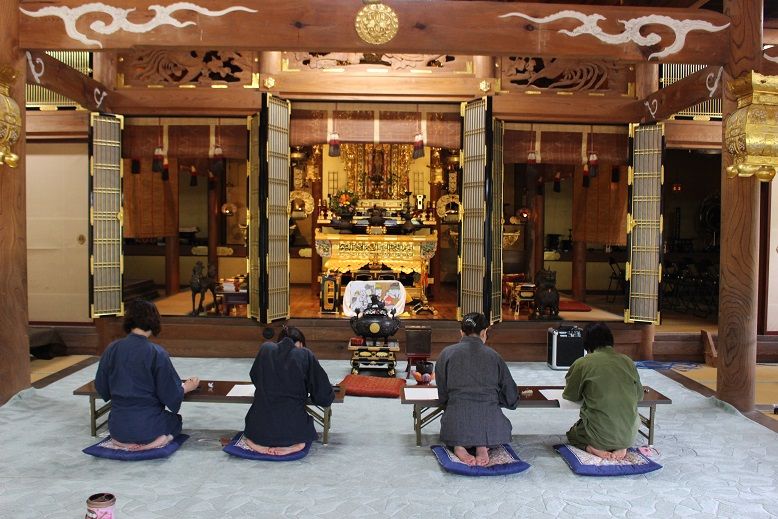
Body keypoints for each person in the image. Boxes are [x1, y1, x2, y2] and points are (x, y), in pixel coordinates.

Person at [95, 300, 199, 451]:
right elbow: (169, 393)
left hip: (118, 427)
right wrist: (187, 387)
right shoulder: (156, 353)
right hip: (149, 426)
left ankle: (121, 442)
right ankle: (158, 441)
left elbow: (101, 386)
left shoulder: (112, 349)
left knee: (125, 422)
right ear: (154, 321)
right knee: (176, 421)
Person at [434, 312, 519, 466]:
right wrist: (499, 399)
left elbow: (442, 395)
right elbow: (511, 396)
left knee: (457, 415)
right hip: (491, 426)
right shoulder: (494, 356)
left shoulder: (446, 354)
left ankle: (459, 445)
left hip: (455, 424)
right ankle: (482, 445)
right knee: (488, 417)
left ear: (461, 333)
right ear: (484, 332)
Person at [243, 325, 335, 455]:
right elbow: (323, 396)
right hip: (293, 430)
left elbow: (255, 377)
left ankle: (254, 443)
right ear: (301, 344)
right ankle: (294, 445)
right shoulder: (305, 354)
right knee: (297, 426)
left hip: (258, 430)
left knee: (257, 427)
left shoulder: (265, 349)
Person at [562, 322, 644, 460]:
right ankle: (622, 446)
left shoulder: (583, 363)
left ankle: (592, 448)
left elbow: (570, 395)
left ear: (586, 343)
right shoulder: (627, 361)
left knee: (573, 434)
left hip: (598, 436)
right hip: (629, 436)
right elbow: (639, 396)